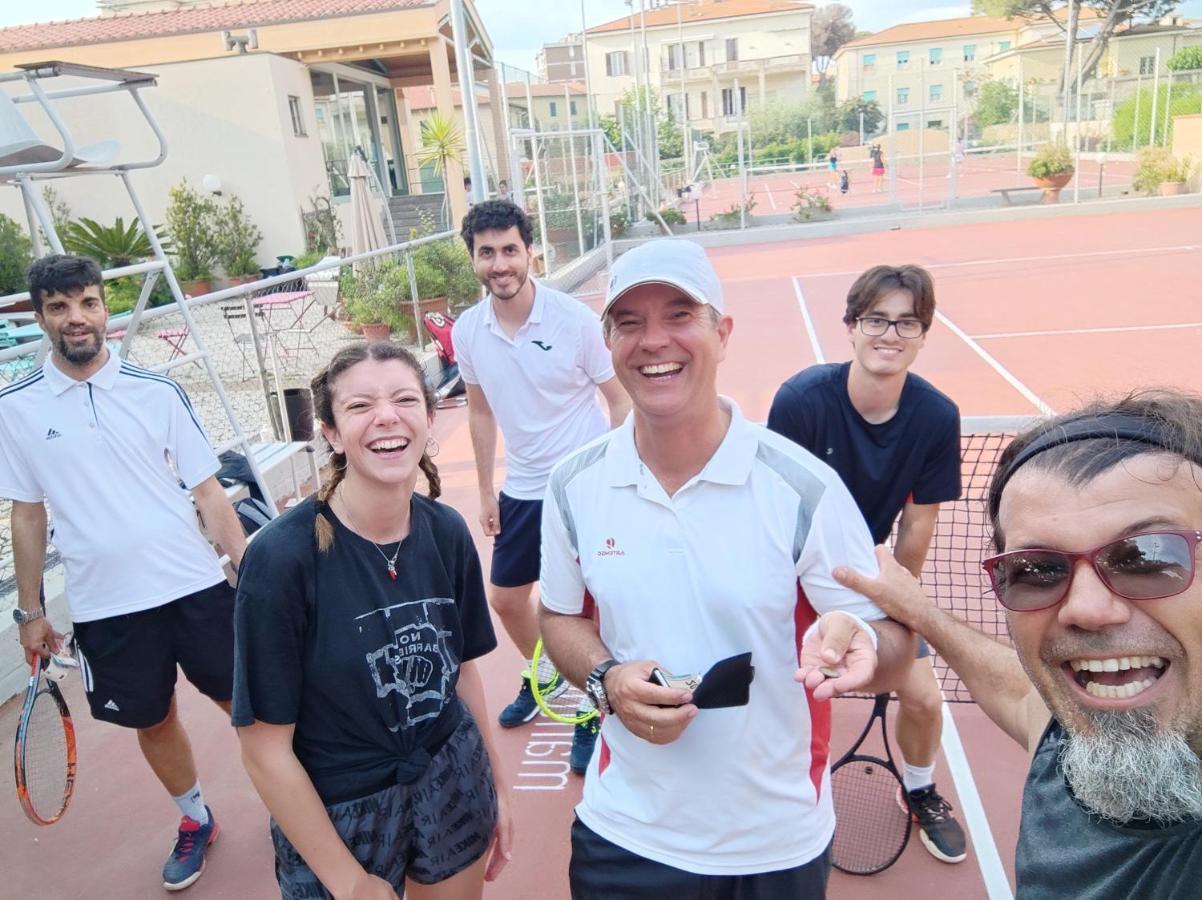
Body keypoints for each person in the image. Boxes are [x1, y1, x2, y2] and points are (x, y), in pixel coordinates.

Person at [539, 238, 915, 898]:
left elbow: (890, 647)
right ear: (609, 343)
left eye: (680, 315)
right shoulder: (572, 486)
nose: (654, 340)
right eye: (629, 322)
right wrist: (607, 677)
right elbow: (559, 618)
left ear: (723, 332)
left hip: (773, 846)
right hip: (624, 834)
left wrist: (862, 646)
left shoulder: (804, 489)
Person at [834, 389, 1202, 897]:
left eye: (1146, 556)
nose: (1086, 609)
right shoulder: (1067, 739)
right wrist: (916, 608)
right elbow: (1018, 695)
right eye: (1036, 570)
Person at [0, 254, 247, 891]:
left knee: (247, 704)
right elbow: (27, 514)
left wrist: (250, 577)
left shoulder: (157, 390)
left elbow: (210, 494)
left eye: (87, 302)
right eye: (59, 307)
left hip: (192, 585)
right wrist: (30, 614)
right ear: (40, 317)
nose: (76, 318)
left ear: (104, 309)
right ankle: (196, 820)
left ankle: (309, 802)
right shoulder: (15, 407)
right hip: (106, 605)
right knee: (152, 718)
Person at [232, 342, 511, 899]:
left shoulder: (447, 532)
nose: (387, 415)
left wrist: (496, 787)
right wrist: (349, 881)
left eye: (405, 399)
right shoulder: (283, 560)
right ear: (332, 433)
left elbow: (461, 675)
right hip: (338, 805)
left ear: (429, 419)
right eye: (360, 406)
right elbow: (264, 747)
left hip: (449, 776)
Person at [767, 264, 968, 865]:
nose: (891, 334)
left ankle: (920, 787)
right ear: (852, 326)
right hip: (791, 568)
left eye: (908, 322)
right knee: (779, 694)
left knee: (926, 699)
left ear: (923, 334)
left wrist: (895, 611)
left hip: (872, 573)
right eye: (878, 319)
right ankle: (779, 798)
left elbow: (919, 523)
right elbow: (776, 511)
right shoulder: (801, 402)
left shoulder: (937, 416)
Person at [452, 200, 629, 774]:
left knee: (587, 607)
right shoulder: (467, 330)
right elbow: (480, 413)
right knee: (506, 599)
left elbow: (619, 396)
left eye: (509, 250)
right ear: (473, 260)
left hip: (583, 485)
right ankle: (543, 672)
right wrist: (484, 490)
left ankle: (587, 707)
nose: (499, 263)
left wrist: (619, 472)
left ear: (530, 253)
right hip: (523, 488)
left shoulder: (574, 320)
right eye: (487, 252)